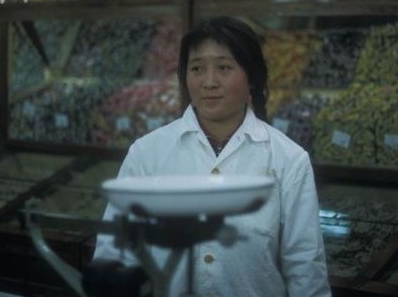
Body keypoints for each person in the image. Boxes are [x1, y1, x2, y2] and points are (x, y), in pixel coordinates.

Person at [91, 16, 331, 297]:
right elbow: (116, 251)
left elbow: (305, 268)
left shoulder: (289, 160)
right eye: (197, 68)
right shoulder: (147, 153)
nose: (209, 82)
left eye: (224, 68)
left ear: (252, 77)